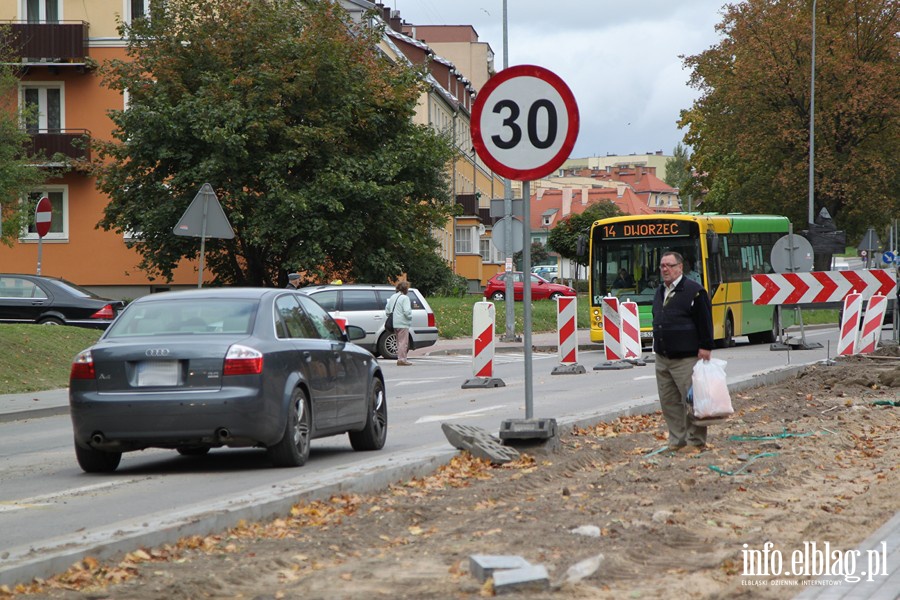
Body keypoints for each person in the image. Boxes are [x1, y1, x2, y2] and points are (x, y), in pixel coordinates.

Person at [652, 251, 714, 453]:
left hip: (686, 358)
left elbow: (705, 321)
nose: (665, 269)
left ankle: (695, 441)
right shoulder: (660, 291)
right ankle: (677, 441)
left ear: (680, 267)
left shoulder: (694, 291)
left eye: (669, 265)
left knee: (691, 401)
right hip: (663, 357)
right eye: (662, 266)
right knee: (669, 401)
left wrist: (706, 346)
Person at [386, 281, 414, 366]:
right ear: (405, 289)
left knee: (398, 342)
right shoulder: (405, 298)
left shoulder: (393, 297)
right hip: (403, 323)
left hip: (394, 323)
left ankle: (400, 358)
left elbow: (387, 310)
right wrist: (410, 317)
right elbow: (407, 311)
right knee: (403, 342)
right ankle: (402, 359)